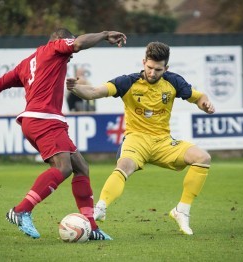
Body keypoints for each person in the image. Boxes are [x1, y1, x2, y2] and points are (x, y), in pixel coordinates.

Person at [0, 28, 126, 240]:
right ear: (60, 39)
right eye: (69, 44)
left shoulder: (27, 63)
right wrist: (104, 35)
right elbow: (77, 44)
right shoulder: (54, 47)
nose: (72, 54)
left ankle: (92, 228)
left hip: (39, 120)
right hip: (44, 119)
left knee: (81, 167)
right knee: (63, 167)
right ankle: (21, 210)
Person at [66, 41, 215, 236]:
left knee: (203, 158)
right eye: (150, 67)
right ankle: (100, 208)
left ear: (166, 68)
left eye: (158, 69)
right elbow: (94, 92)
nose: (153, 73)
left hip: (163, 142)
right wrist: (76, 88)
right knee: (124, 165)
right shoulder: (127, 82)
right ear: (144, 62)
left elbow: (198, 96)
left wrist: (205, 104)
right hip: (136, 140)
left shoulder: (174, 82)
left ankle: (181, 211)